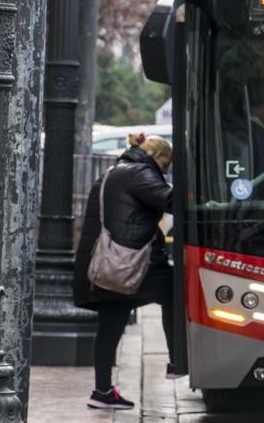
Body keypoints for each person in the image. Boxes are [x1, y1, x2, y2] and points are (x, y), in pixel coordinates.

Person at [73, 133, 178, 410]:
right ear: (157, 157)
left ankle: (102, 390)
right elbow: (169, 200)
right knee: (174, 292)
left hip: (110, 266)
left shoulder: (114, 171)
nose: (164, 172)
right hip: (133, 263)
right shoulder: (140, 172)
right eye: (166, 166)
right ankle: (178, 360)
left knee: (109, 329)